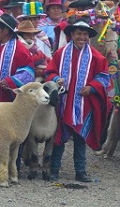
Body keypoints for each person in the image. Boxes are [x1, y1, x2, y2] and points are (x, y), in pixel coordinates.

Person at [45, 20, 110, 182]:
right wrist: (57, 78)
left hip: (83, 104)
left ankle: (80, 171)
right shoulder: (61, 53)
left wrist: (92, 87)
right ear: (72, 35)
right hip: (63, 103)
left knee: (80, 138)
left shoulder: (96, 56)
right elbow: (50, 72)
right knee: (59, 138)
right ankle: (54, 169)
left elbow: (103, 76)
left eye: (85, 34)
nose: (82, 37)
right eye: (79, 34)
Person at [0, 13, 35, 176]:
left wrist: (12, 81)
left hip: (10, 100)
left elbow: (28, 72)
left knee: (13, 133)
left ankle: (12, 166)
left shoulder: (20, 50)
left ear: (6, 31)